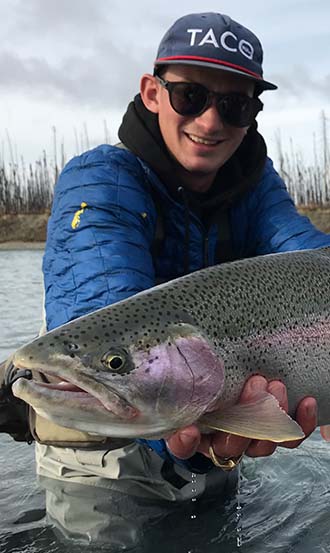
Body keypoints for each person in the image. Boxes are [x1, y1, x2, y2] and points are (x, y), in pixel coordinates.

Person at [1, 11, 330, 548]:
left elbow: (308, 259)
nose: (210, 121)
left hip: (213, 435)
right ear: (152, 93)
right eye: (190, 96)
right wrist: (185, 428)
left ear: (252, 113)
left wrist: (208, 434)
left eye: (234, 104)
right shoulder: (101, 178)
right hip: (104, 454)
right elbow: (100, 306)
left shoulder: (255, 188)